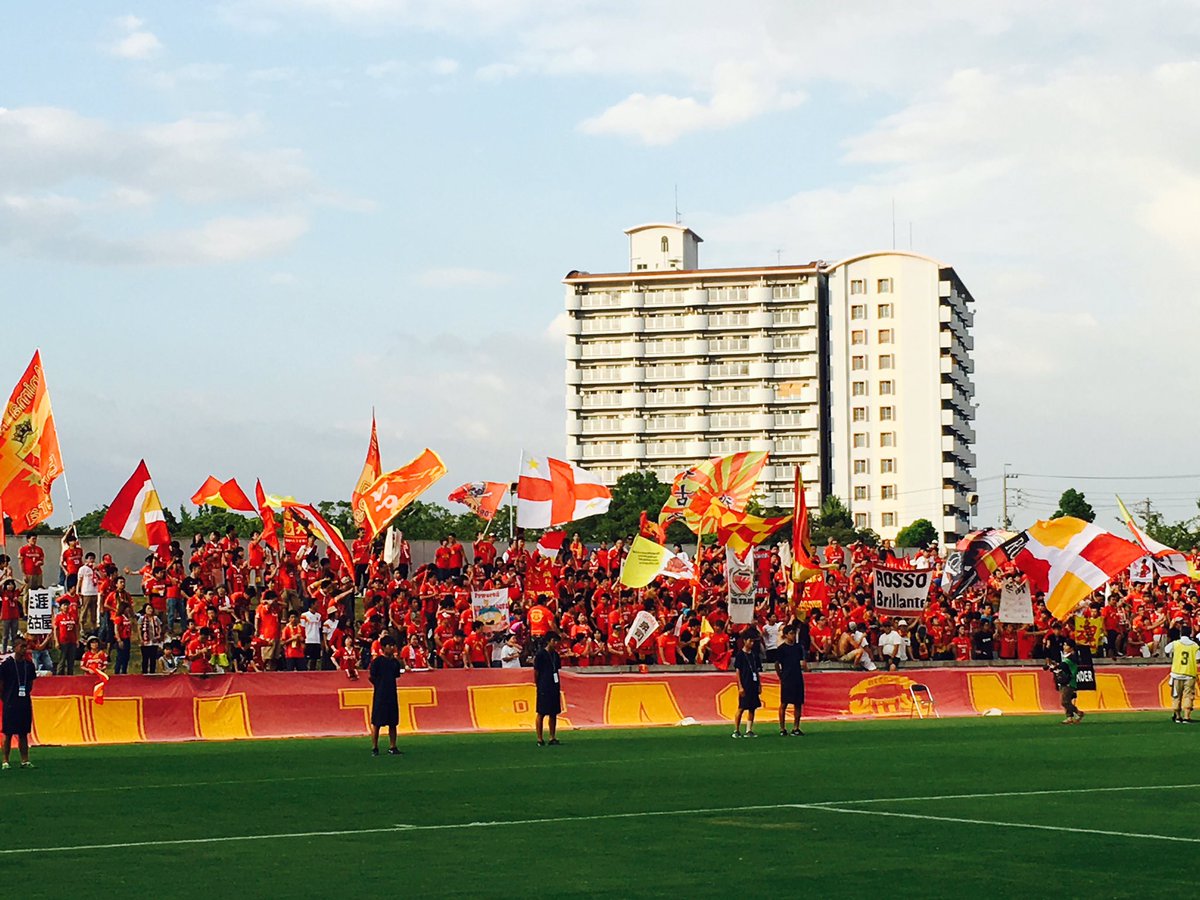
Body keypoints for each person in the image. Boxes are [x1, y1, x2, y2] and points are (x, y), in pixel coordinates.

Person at [1, 636, 36, 769]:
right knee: (8, 733)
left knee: (23, 733)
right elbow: (1, 685)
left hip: (24, 702)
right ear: (15, 647)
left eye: (25, 646)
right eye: (21, 646)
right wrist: (5, 698)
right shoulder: (6, 665)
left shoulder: (29, 665)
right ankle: (5, 760)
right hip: (10, 702)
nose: (24, 649)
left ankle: (24, 760)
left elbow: (31, 684)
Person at [369, 636, 403, 756]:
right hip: (380, 695)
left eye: (393, 645)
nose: (392, 648)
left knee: (393, 722)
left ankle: (393, 746)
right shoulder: (376, 662)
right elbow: (371, 677)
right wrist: (379, 686)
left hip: (392, 694)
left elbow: (396, 676)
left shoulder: (395, 663)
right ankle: (374, 747)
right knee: (376, 722)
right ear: (383, 647)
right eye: (390, 645)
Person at [775, 623, 807, 736]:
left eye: (794, 633)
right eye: (791, 633)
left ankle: (796, 727)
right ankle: (782, 728)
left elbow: (802, 661)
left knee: (798, 703)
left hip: (797, 677)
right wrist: (781, 676)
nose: (793, 636)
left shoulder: (798, 648)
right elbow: (777, 664)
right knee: (784, 703)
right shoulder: (781, 649)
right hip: (787, 678)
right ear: (785, 635)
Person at [534, 631, 563, 746]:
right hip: (544, 686)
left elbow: (557, 669)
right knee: (541, 712)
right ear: (548, 641)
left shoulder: (556, 655)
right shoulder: (540, 654)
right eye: (554, 641)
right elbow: (536, 671)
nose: (555, 643)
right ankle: (539, 738)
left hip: (554, 686)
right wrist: (538, 684)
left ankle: (552, 737)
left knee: (553, 712)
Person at [1165, 624, 1198, 724]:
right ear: (1190, 634)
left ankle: (1178, 716)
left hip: (1177, 673)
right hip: (1189, 673)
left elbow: (1166, 650)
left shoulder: (1175, 644)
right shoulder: (1194, 646)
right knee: (1188, 695)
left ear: (1180, 633)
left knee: (1176, 695)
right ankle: (1187, 717)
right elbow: (1198, 658)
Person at [1046, 643, 1084, 725]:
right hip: (1064, 681)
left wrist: (1054, 666)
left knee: (1065, 701)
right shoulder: (1066, 656)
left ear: (1071, 648)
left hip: (1069, 682)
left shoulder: (1071, 657)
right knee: (1067, 700)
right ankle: (1069, 717)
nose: (1064, 647)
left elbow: (1064, 666)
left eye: (1066, 645)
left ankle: (1078, 712)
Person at [732, 632, 761, 738]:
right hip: (745, 683)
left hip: (753, 684)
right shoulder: (740, 655)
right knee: (741, 707)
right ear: (744, 641)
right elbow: (738, 671)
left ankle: (749, 729)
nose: (752, 643)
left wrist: (759, 684)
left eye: (753, 641)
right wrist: (740, 686)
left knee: (752, 707)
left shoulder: (754, 655)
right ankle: (736, 729)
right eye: (750, 641)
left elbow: (757, 670)